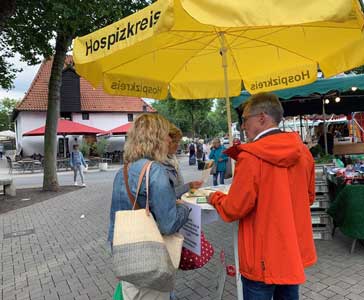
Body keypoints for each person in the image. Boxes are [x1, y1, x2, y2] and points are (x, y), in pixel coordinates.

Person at [207, 92, 317, 300]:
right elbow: (308, 198)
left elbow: (234, 209)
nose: (242, 126)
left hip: (261, 255)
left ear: (262, 117)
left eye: (244, 120)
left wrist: (215, 198)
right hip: (290, 251)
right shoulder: (303, 152)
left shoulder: (250, 157)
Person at [108, 114, 190, 300]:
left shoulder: (123, 171)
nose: (169, 139)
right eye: (166, 135)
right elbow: (168, 224)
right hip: (150, 257)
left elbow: (115, 220)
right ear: (156, 138)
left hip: (126, 254)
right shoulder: (156, 171)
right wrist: (183, 208)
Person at [163, 124, 203, 198]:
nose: (177, 145)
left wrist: (190, 186)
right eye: (175, 141)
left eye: (178, 142)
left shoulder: (172, 158)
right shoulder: (160, 164)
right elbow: (167, 196)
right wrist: (189, 186)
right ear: (165, 141)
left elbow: (178, 187)